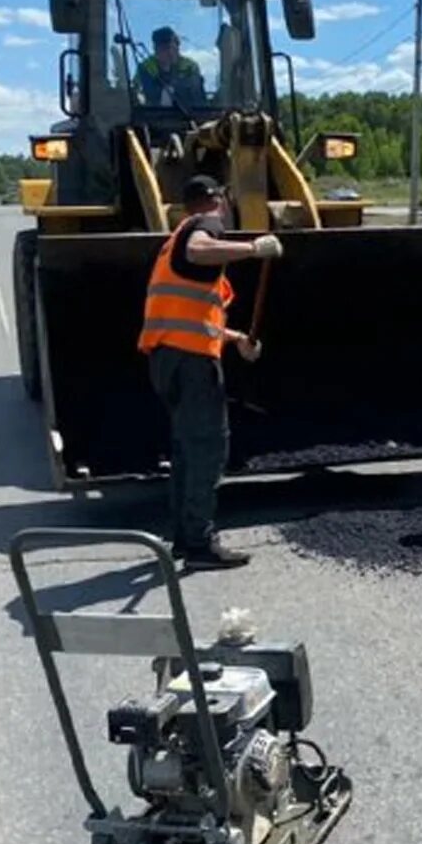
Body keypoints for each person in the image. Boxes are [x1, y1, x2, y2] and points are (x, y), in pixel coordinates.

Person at [138, 175, 281, 569]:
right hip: (191, 363)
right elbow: (202, 250)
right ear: (218, 200)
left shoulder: (171, 244)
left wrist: (235, 339)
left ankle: (185, 538)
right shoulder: (205, 225)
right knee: (207, 448)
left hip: (166, 359)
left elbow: (195, 316)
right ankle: (199, 544)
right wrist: (254, 247)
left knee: (187, 449)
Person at [136, 27, 207, 111]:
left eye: (170, 47)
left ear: (177, 46)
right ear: (155, 49)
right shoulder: (145, 67)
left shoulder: (190, 66)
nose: (168, 52)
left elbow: (198, 98)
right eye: (163, 48)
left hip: (187, 116)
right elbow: (136, 90)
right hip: (152, 117)